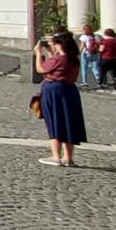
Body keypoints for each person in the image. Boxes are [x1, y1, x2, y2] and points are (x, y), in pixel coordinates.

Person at [35, 31, 86, 168]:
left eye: (54, 43)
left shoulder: (58, 59)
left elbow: (40, 69)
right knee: (68, 122)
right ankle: (68, 158)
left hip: (54, 90)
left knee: (55, 120)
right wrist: (51, 52)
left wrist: (39, 53)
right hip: (70, 90)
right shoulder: (73, 59)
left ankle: (56, 156)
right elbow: (56, 65)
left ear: (59, 45)